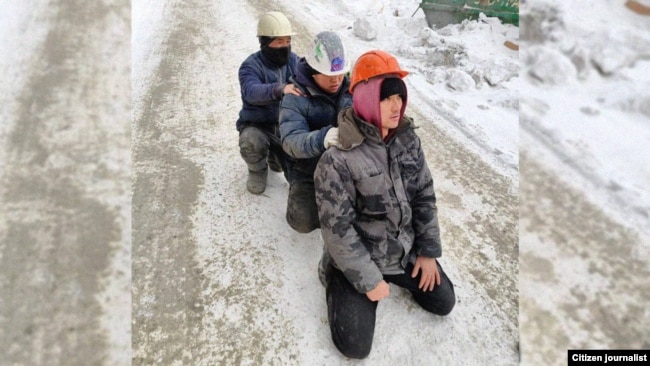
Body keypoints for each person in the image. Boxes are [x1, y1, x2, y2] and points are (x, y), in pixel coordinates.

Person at [314, 50, 456, 359]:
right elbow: (337, 230)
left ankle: (397, 270)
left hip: (401, 251)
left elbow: (424, 195)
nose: (397, 106)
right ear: (364, 98)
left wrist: (428, 251)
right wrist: (367, 279)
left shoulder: (407, 139)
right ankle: (335, 277)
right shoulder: (337, 159)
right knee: (354, 346)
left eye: (399, 97)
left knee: (444, 302)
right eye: (386, 97)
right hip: (361, 258)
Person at [279, 31, 352, 233]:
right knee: (302, 222)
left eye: (340, 73)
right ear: (313, 70)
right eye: (329, 75)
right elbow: (291, 140)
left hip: (345, 169)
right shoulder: (296, 96)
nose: (336, 80)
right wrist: (322, 138)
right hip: (308, 168)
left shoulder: (351, 88)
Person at [236, 11, 302, 194]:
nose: (285, 46)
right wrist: (279, 89)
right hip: (258, 125)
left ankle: (276, 155)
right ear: (265, 42)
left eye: (287, 41)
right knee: (251, 142)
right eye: (279, 41)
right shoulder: (250, 65)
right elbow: (251, 92)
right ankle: (257, 169)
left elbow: (310, 77)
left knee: (299, 175)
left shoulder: (294, 60)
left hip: (286, 126)